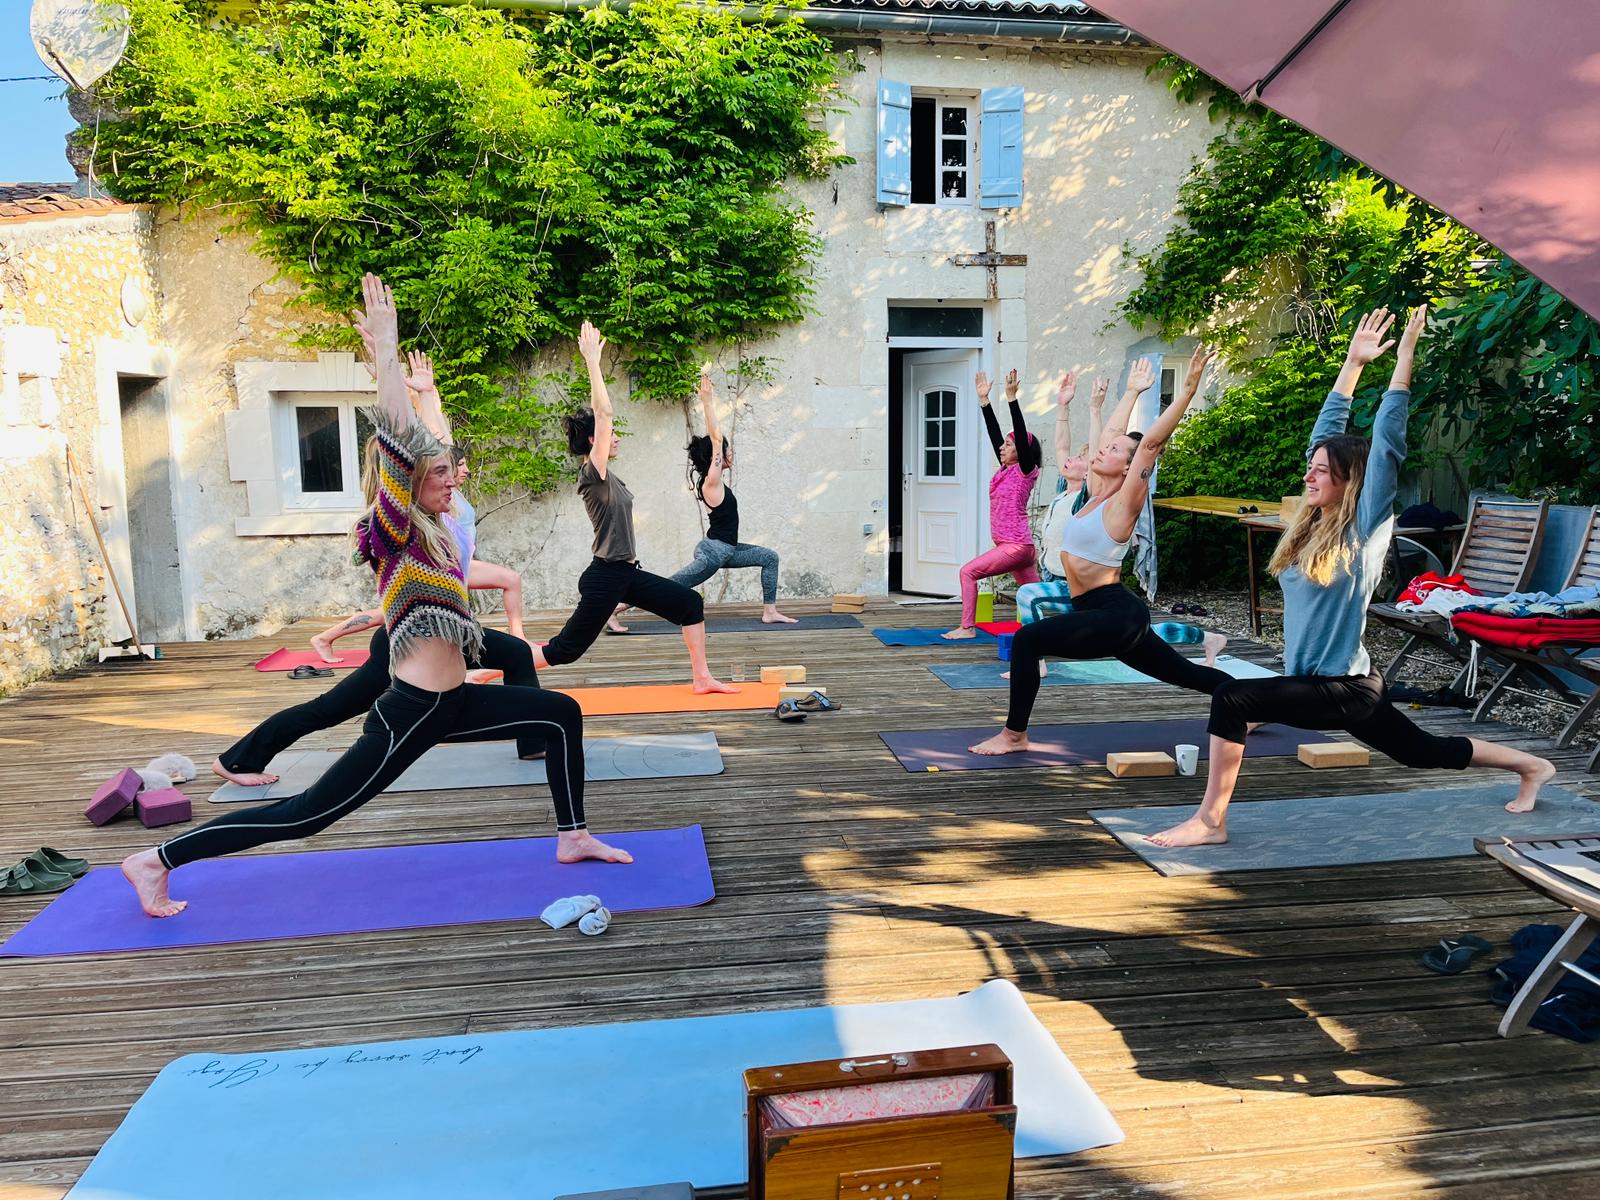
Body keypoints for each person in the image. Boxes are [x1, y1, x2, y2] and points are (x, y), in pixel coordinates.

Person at [122, 274, 629, 919]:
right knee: (308, 816)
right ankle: (154, 862)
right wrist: (385, 357)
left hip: (456, 701)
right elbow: (401, 445)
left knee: (560, 713)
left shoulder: (442, 531)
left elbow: (429, 439)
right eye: (439, 474)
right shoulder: (393, 530)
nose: (452, 479)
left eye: (451, 470)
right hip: (412, 710)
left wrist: (427, 395)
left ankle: (573, 835)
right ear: (408, 485)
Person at [1148, 307, 1555, 847]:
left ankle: (1210, 822)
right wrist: (1351, 364)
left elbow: (1386, 446)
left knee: (1233, 699)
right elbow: (1326, 430)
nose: (1308, 473)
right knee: (1421, 752)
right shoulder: (1311, 526)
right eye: (1311, 466)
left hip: (1342, 687)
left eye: (1321, 469)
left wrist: (1402, 360)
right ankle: (1532, 766)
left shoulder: (1364, 530)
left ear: (1350, 480)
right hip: (1336, 685)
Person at [970, 344, 1225, 755]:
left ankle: (1015, 734)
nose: (1102, 449)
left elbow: (1151, 444)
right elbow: (1109, 435)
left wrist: (1187, 391)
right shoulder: (1090, 491)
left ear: (1129, 467)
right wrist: (1130, 392)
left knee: (1027, 641)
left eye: (1115, 451)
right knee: (1185, 674)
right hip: (1100, 612)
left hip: (1113, 614)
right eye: (1105, 448)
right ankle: (1254, 703)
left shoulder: (1124, 501)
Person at [532, 324, 737, 694]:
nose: (618, 438)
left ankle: (702, 678)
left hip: (626, 573)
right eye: (611, 435)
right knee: (564, 651)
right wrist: (593, 362)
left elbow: (606, 422)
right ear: (596, 440)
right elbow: (604, 414)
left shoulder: (611, 478)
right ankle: (491, 671)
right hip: (606, 577)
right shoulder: (591, 475)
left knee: (689, 604)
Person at [618, 371, 796, 630]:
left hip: (726, 549)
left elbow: (717, 443)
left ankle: (770, 612)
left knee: (770, 557)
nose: (729, 453)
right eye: (726, 451)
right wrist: (708, 401)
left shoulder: (713, 480)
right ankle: (616, 607)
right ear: (717, 457)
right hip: (714, 554)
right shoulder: (711, 482)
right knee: (668, 586)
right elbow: (716, 439)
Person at [943, 368, 1041, 640]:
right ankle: (1059, 633)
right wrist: (984, 401)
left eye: (1009, 446)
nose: (1003, 447)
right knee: (1037, 596)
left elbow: (1019, 434)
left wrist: (1012, 399)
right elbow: (994, 433)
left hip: (1016, 546)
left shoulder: (1025, 471)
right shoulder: (1006, 469)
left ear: (1021, 451)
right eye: (1004, 445)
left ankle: (967, 627)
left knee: (968, 572)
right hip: (1016, 547)